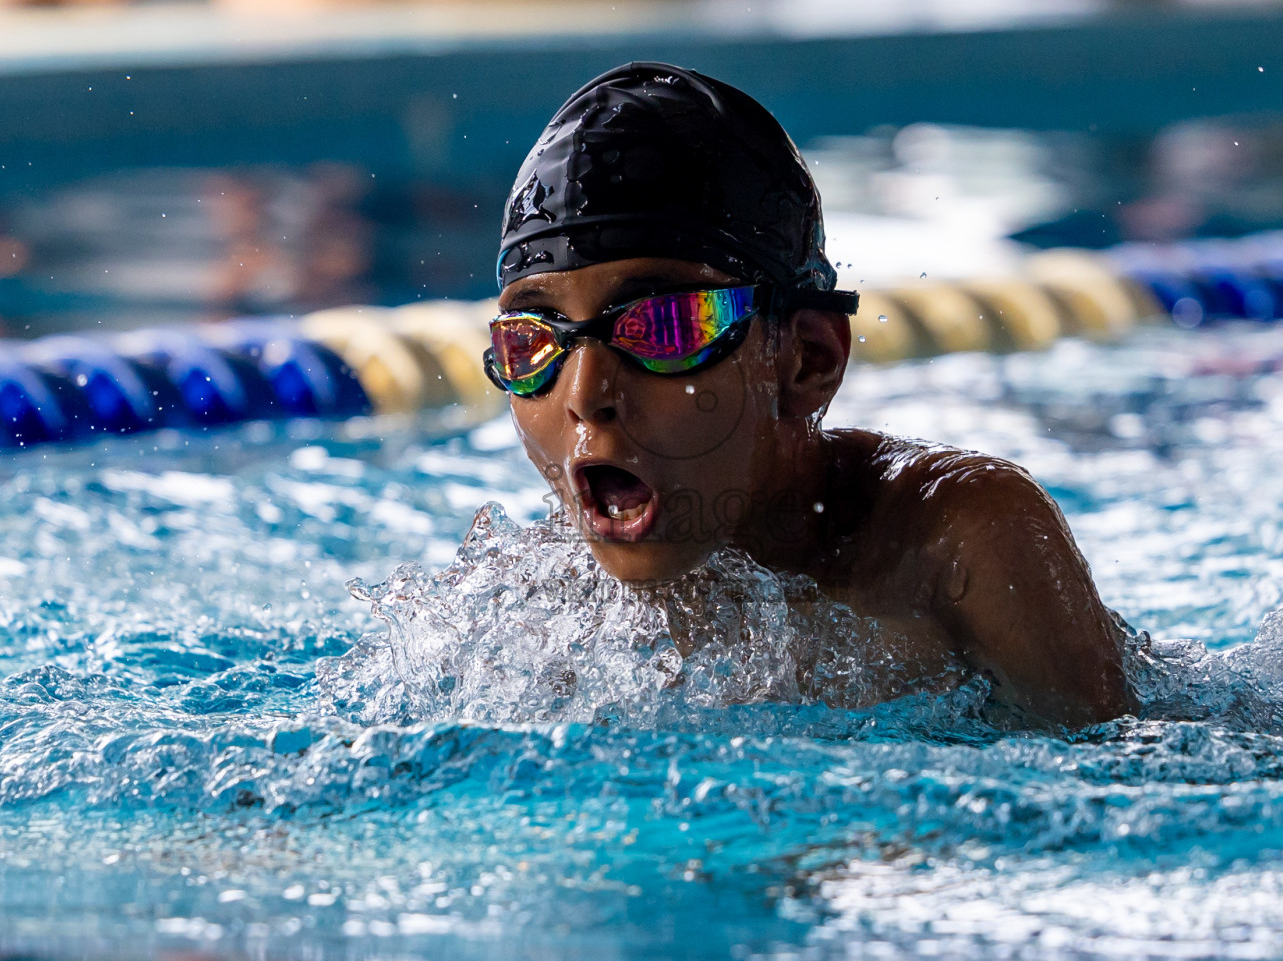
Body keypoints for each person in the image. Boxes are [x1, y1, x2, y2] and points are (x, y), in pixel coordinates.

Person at [484, 62, 1134, 727]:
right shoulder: (548, 611)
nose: (586, 392)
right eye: (532, 343)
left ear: (807, 360)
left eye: (663, 325)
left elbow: (1120, 783)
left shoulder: (956, 538)